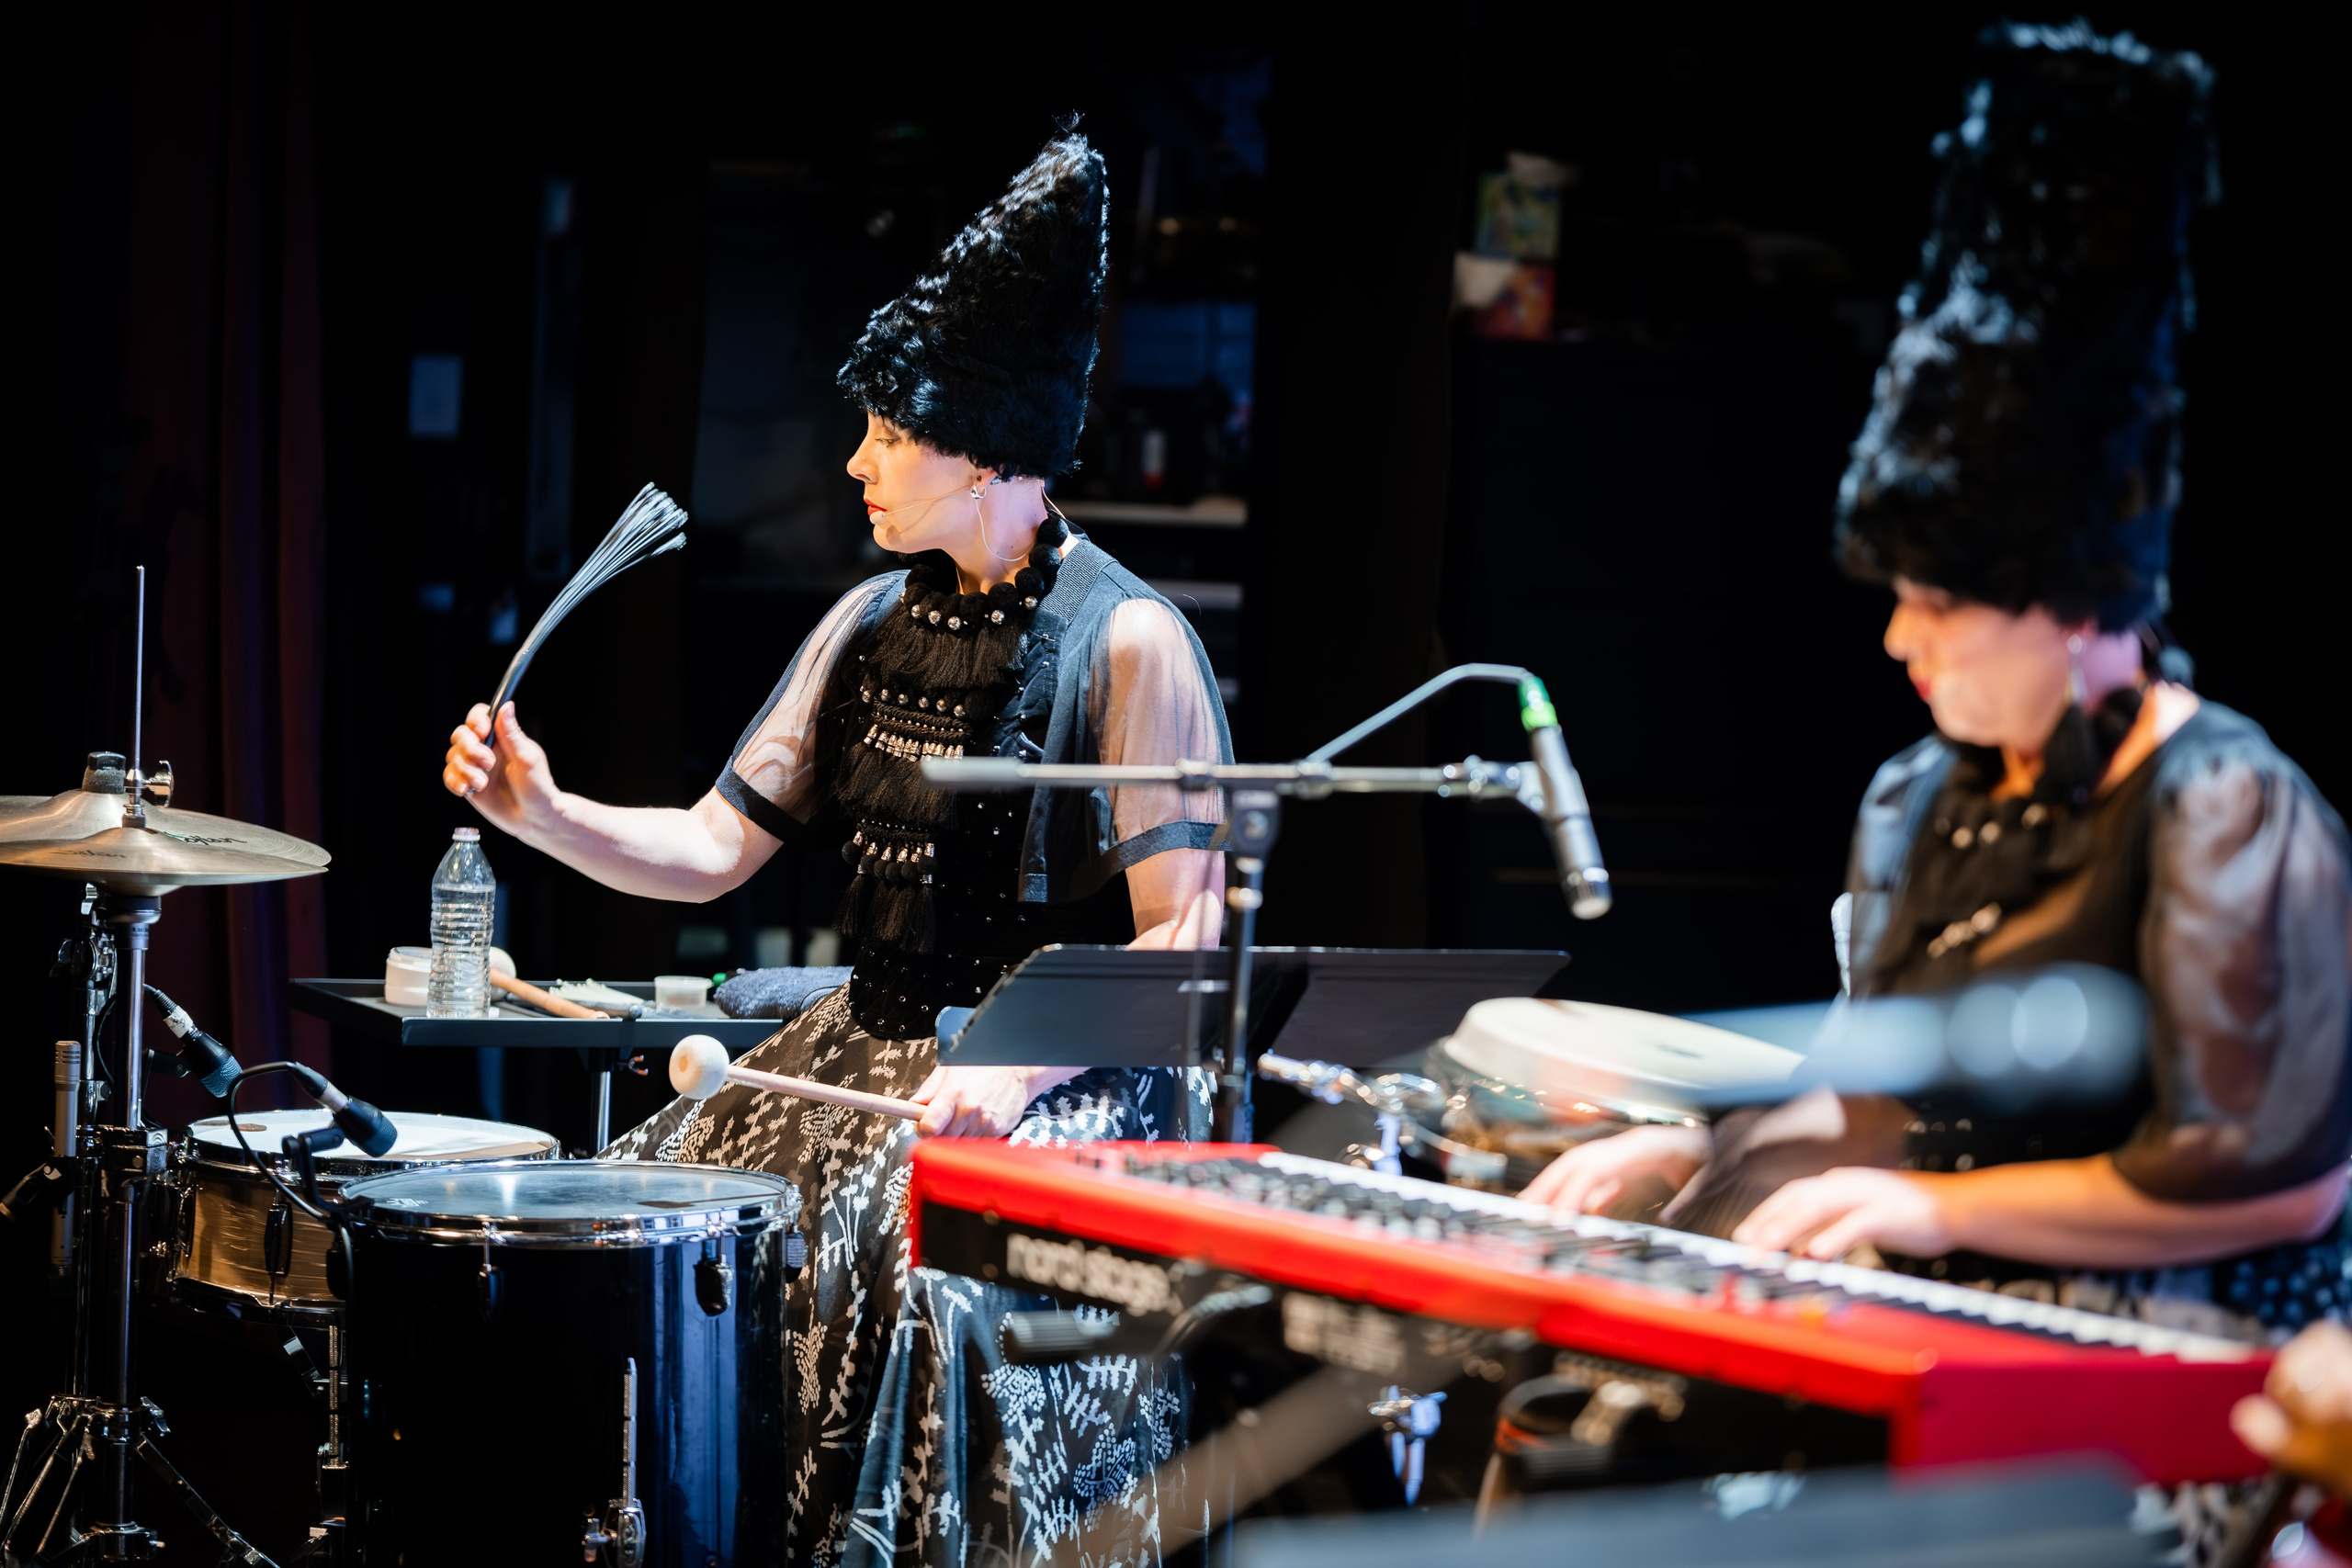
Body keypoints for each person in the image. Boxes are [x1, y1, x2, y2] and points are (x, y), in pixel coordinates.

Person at [442, 130, 1228, 1565]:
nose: (855, 459)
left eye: (889, 432)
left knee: (895, 1260)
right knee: (634, 1223)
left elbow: (1189, 944)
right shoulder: (864, 625)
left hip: (1048, 1089)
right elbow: (709, 847)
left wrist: (1015, 1070)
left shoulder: (1130, 643)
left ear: (987, 445)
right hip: (856, 1051)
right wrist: (543, 817)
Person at [1526, 24, 2352, 1337]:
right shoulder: (1918, 796)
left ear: (2078, 601)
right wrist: (1698, 1160)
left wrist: (1943, 1212)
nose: (1902, 644)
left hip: (2176, 1350)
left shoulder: (2230, 805)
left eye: (1941, 606)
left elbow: (2280, 1185)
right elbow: (1866, 1106)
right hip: (1940, 1300)